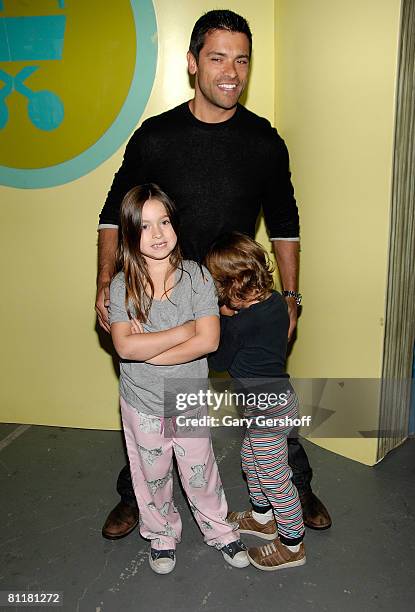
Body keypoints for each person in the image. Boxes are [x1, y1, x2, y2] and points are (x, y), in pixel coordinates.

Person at [96, 9, 331, 540]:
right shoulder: (155, 137)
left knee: (267, 392)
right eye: (218, 57)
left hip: (241, 299)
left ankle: (295, 485)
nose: (232, 71)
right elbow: (113, 214)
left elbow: (287, 225)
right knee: (154, 397)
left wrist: (290, 295)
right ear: (192, 63)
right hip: (164, 297)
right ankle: (137, 494)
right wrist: (103, 285)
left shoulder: (264, 141)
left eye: (242, 59)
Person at [109, 183, 249, 574]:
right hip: (142, 401)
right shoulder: (123, 285)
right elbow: (124, 348)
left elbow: (210, 339)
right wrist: (182, 329)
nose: (158, 234)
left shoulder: (197, 277)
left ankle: (220, 529)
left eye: (165, 222)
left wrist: (149, 347)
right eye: (146, 226)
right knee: (151, 475)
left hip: (186, 395)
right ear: (129, 233)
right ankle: (161, 534)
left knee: (199, 469)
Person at [206, 232, 306, 571]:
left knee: (277, 480)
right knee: (252, 462)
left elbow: (218, 362)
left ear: (229, 286)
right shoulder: (277, 302)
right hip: (278, 402)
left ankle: (293, 544)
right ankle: (263, 519)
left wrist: (219, 316)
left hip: (266, 410)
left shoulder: (239, 325)